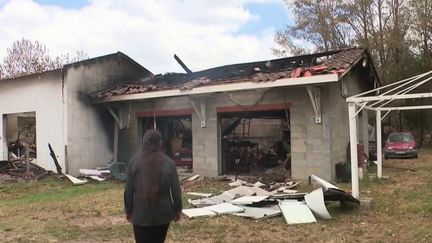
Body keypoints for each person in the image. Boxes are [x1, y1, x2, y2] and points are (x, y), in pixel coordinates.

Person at [124, 129, 182, 243]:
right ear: (160, 143)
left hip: (140, 214)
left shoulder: (134, 162)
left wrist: (129, 210)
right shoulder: (169, 163)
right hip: (163, 215)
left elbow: (128, 190)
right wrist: (177, 210)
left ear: (144, 143)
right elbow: (176, 191)